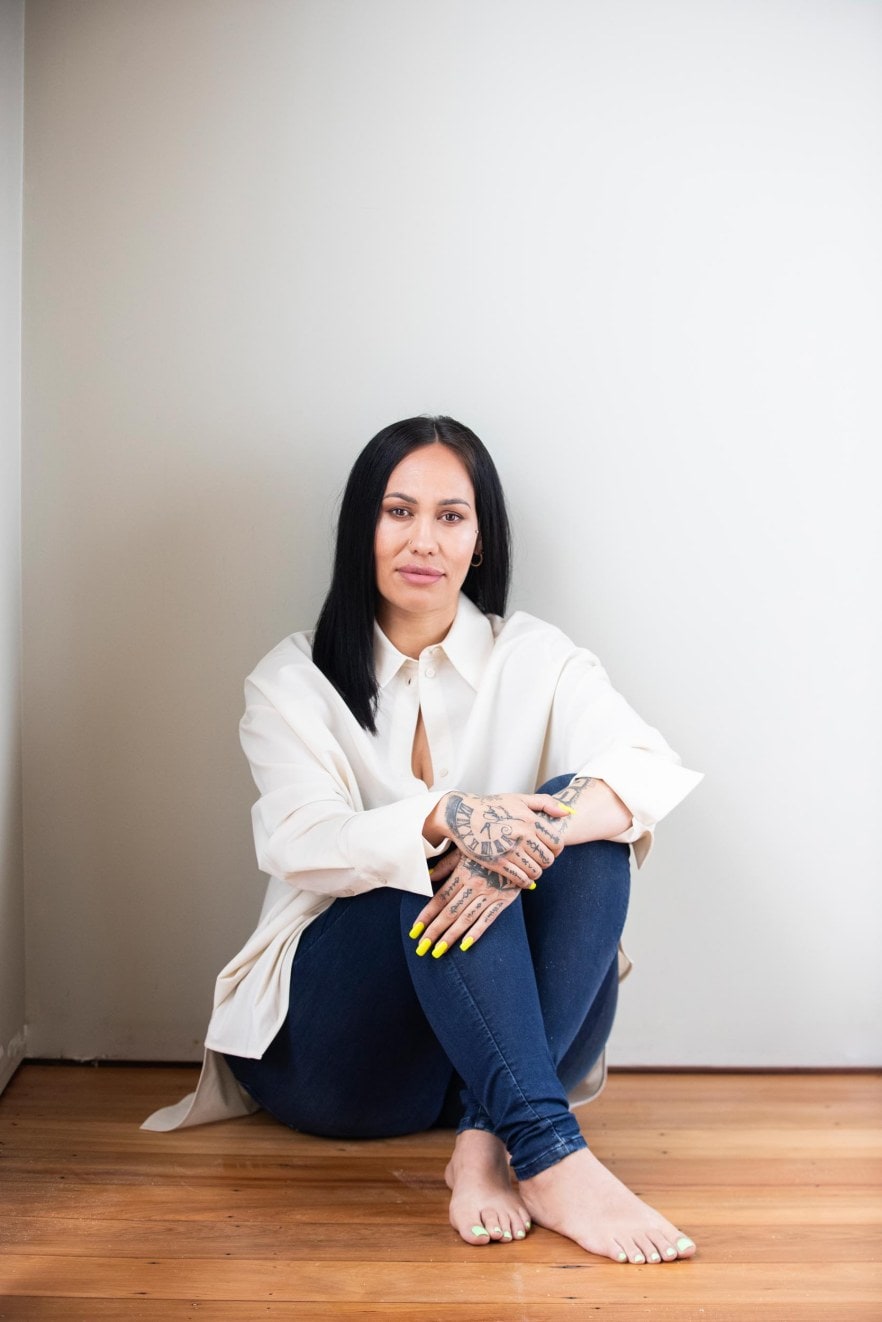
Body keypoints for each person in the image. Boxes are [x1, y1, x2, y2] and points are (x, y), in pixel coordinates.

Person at [143, 415, 703, 1266]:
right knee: (422, 855)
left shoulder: (535, 657)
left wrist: (526, 839)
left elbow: (649, 767)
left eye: (451, 516)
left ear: (480, 541)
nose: (423, 540)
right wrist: (447, 821)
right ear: (360, 526)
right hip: (341, 1060)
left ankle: (492, 1143)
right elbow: (302, 838)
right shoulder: (292, 680)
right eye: (398, 511)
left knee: (589, 819)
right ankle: (550, 1156)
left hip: (494, 1057)